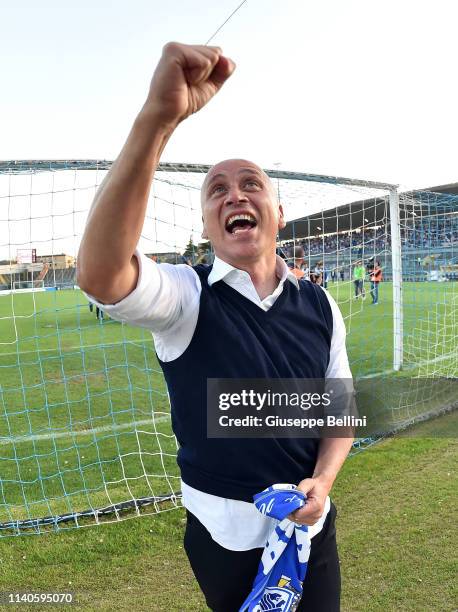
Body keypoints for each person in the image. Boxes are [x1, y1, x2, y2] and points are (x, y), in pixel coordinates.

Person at [77, 42, 353, 611]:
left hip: (310, 530)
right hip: (224, 539)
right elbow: (102, 275)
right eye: (217, 191)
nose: (234, 193)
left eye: (251, 184)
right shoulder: (187, 297)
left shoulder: (321, 305)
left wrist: (322, 485)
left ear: (278, 214)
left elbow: (339, 414)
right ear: (208, 224)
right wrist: (158, 118)